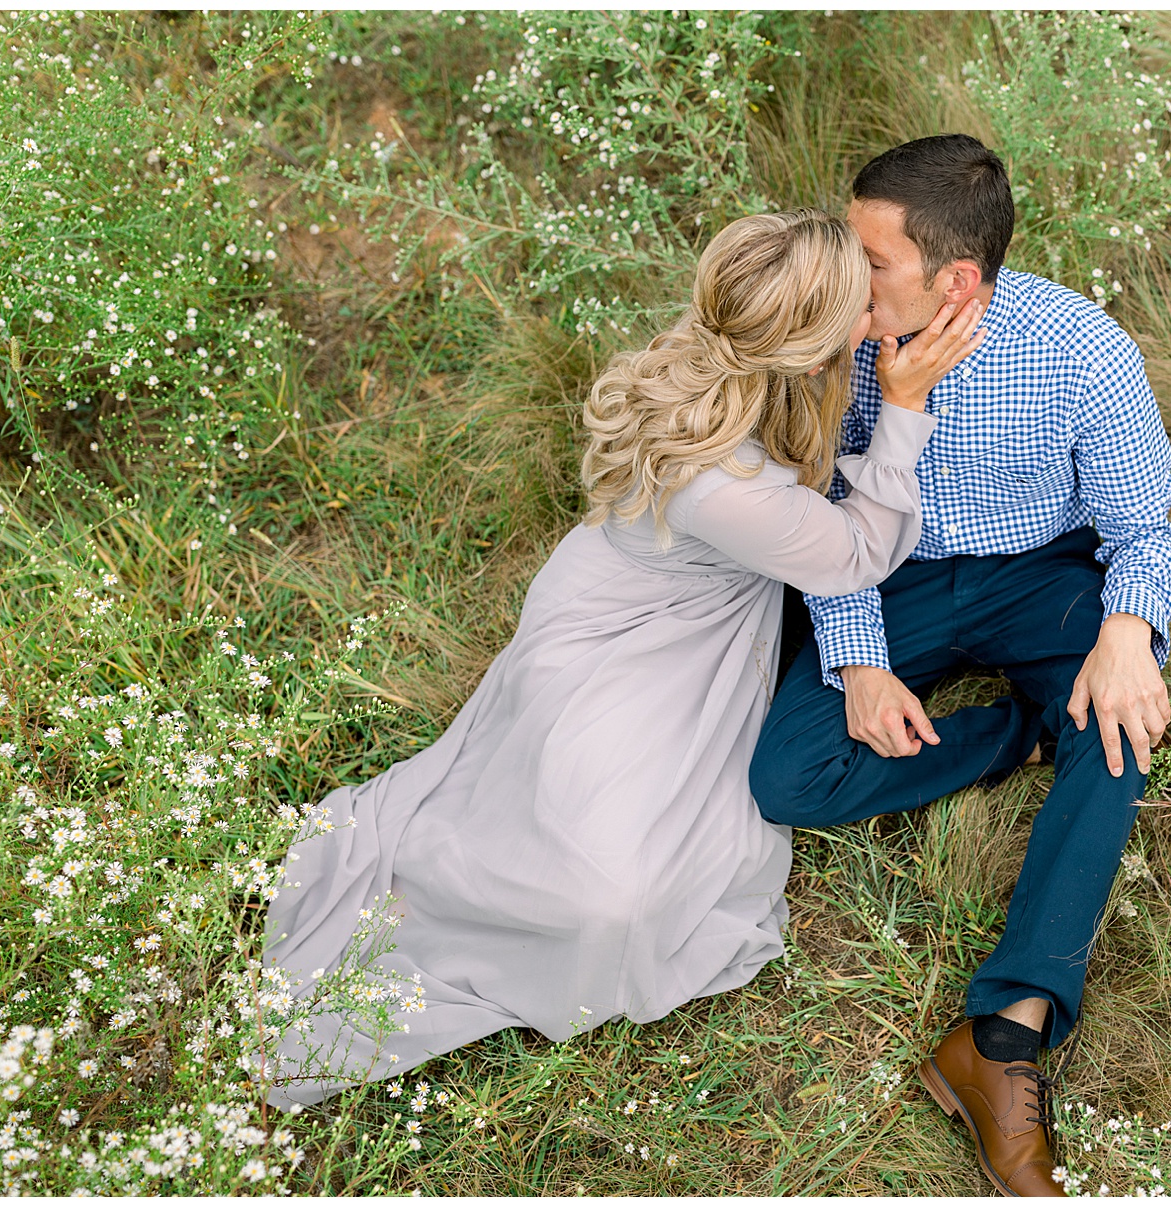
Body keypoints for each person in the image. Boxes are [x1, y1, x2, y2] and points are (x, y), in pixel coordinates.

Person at [258, 208, 986, 1108]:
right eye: (854, 306)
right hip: (633, 640)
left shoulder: (723, 346)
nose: (874, 315)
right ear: (802, 344)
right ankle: (436, 908)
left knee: (600, 846)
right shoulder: (723, 484)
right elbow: (856, 554)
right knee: (609, 895)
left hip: (639, 597)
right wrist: (906, 408)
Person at [748, 135, 1171, 1196]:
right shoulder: (839, 341)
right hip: (883, 570)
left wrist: (1128, 628)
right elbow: (818, 516)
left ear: (958, 280)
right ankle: (1016, 731)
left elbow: (1142, 528)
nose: (847, 278)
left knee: (1120, 722)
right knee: (788, 775)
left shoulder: (1081, 350)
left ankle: (1005, 1033)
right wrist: (855, 659)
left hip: (1041, 575)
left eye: (871, 260)